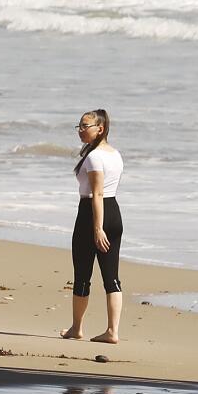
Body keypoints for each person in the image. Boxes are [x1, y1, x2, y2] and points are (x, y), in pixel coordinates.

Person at [62, 108, 126, 345]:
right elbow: (109, 190)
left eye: (85, 126)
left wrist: (97, 228)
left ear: (100, 128)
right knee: (112, 277)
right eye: (78, 126)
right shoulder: (115, 154)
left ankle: (76, 328)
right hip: (114, 213)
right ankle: (112, 331)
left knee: (82, 276)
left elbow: (97, 193)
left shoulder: (93, 157)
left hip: (92, 215)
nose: (80, 130)